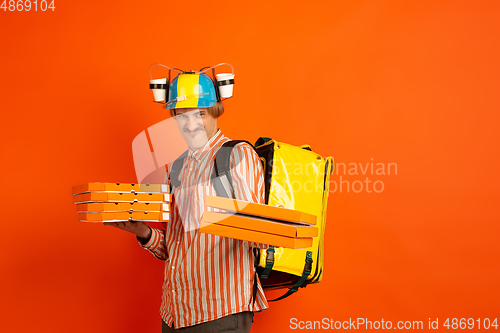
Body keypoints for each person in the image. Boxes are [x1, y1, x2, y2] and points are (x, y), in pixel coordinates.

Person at [104, 72, 269, 332]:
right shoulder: (179, 166)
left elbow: (260, 235)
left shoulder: (237, 156)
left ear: (216, 111)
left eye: (200, 114)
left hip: (219, 313)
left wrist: (216, 208)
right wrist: (143, 232)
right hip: (174, 313)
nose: (190, 124)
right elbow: (178, 247)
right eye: (182, 115)